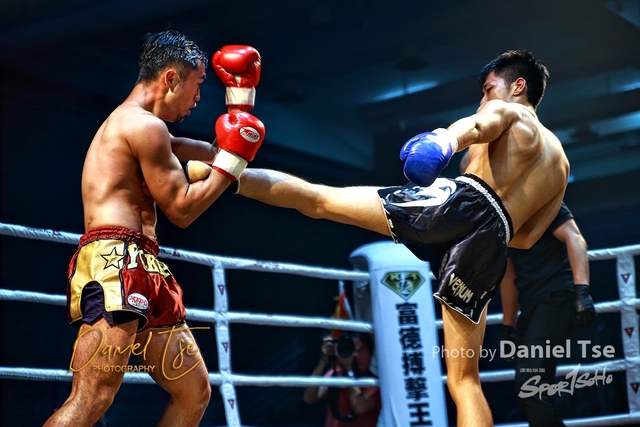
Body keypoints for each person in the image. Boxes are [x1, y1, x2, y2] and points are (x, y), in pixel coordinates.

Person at [227, 50, 569, 426]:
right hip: (493, 243)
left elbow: (475, 126)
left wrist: (441, 142)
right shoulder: (560, 165)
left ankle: (224, 171)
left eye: (488, 89)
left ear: (518, 86)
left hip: (458, 203)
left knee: (320, 200)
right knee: (465, 381)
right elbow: (527, 239)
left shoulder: (510, 111)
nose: (483, 99)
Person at [44, 30, 265, 427]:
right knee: (92, 398)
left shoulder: (146, 129)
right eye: (198, 84)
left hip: (143, 265)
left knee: (193, 392)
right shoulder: (142, 126)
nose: (199, 97)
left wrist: (241, 103)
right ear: (171, 78)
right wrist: (232, 161)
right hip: (114, 264)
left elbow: (212, 152)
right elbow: (182, 209)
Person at [498, 202, 596, 426]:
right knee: (533, 389)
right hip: (531, 305)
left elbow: (574, 237)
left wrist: (582, 291)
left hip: (557, 297)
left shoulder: (539, 197)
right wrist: (508, 326)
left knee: (529, 382)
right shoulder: (496, 217)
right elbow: (508, 275)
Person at [303, 332, 381, 427]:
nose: (356, 356)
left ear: (370, 352)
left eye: (360, 350)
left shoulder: (376, 383)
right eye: (351, 351)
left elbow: (359, 407)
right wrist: (323, 361)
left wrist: (348, 370)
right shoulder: (335, 375)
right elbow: (309, 397)